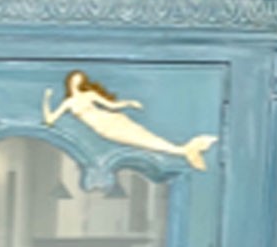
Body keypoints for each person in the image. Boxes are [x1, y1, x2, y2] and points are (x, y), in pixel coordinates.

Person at [43, 70, 217, 171]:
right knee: (140, 141)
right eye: (74, 80)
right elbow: (50, 120)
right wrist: (47, 99)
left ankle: (183, 150)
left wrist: (129, 103)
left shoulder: (89, 94)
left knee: (143, 135)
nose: (76, 82)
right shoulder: (68, 102)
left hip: (111, 120)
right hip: (103, 129)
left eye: (79, 80)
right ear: (70, 82)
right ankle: (183, 150)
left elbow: (111, 105)